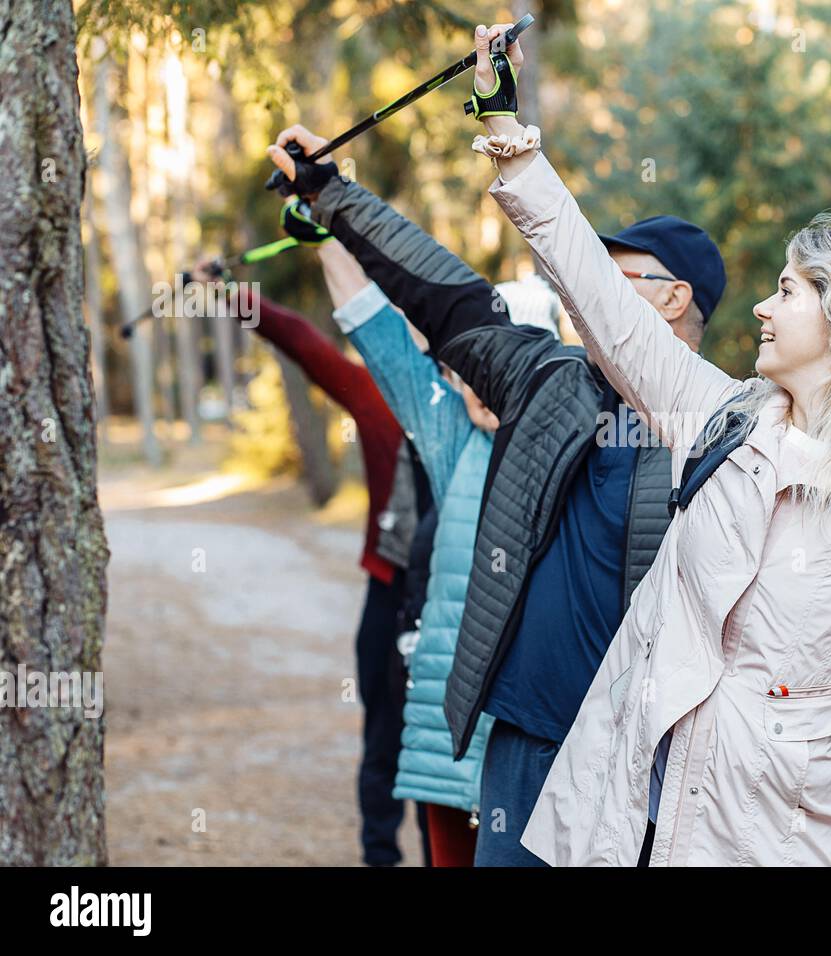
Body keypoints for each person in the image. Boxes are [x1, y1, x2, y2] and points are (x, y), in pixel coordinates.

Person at [458, 23, 831, 867]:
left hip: (765, 834)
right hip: (622, 806)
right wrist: (509, 139)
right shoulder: (720, 419)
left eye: (786, 291)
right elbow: (604, 303)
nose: (760, 306)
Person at [266, 114, 727, 865]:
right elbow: (444, 297)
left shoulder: (717, 431)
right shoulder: (547, 384)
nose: (587, 286)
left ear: (674, 299)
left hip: (639, 759)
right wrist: (331, 192)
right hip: (518, 746)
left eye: (615, 272)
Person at [307, 231, 564, 866]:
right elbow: (383, 340)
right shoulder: (456, 442)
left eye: (495, 363)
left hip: (542, 755)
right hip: (451, 749)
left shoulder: (579, 453)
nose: (474, 381)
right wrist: (326, 227)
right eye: (465, 365)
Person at [192, 262, 427, 865]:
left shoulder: (476, 402)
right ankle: (381, 856)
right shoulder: (373, 395)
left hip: (452, 595)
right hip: (390, 588)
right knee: (383, 737)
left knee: (430, 750)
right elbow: (299, 339)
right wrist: (227, 294)